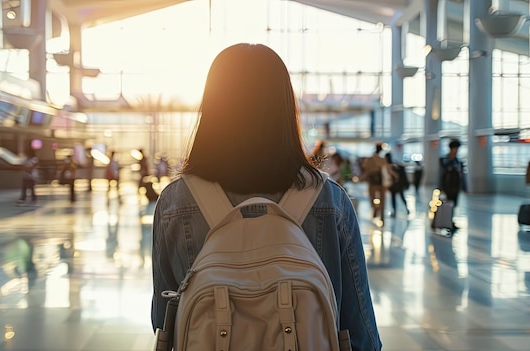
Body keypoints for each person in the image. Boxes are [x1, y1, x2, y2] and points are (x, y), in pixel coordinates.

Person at [151, 43, 381, 351]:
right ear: (285, 108)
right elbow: (359, 330)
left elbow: (163, 321)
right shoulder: (329, 200)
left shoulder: (175, 201)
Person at [360, 143, 388, 223]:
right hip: (382, 182)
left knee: (372, 199)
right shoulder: (382, 160)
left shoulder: (369, 159)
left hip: (372, 182)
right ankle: (381, 216)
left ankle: (376, 210)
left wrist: (362, 178)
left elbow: (366, 170)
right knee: (382, 200)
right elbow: (387, 170)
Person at [439, 139, 466, 209]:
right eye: (455, 148)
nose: (456, 151)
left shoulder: (458, 161)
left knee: (454, 203)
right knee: (448, 202)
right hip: (447, 185)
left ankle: (451, 217)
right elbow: (443, 169)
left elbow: (461, 174)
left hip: (456, 186)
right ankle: (447, 217)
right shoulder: (444, 159)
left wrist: (464, 187)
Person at [384, 152, 410, 217]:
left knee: (394, 198)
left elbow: (395, 175)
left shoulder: (390, 166)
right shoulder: (395, 164)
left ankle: (395, 211)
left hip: (394, 184)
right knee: (401, 197)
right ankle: (406, 209)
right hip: (398, 184)